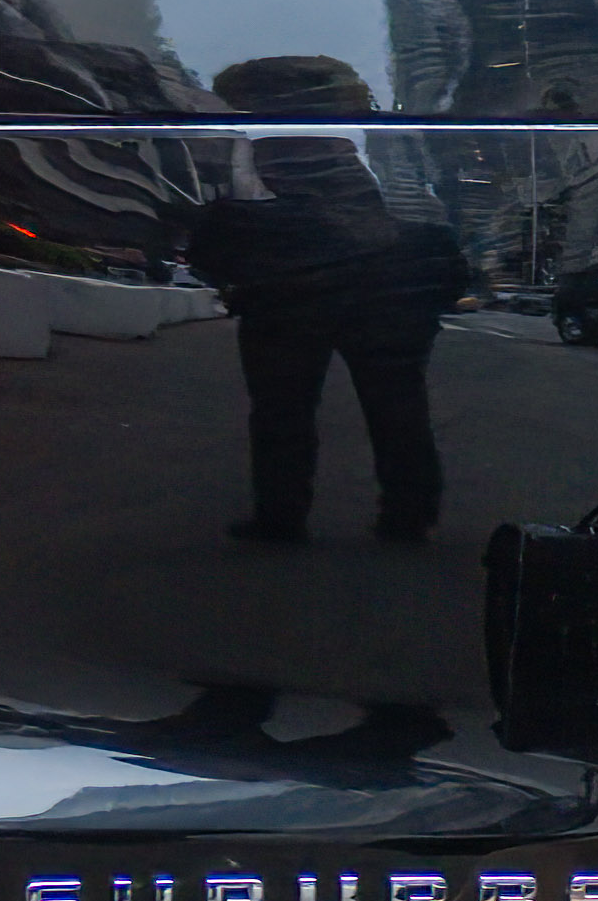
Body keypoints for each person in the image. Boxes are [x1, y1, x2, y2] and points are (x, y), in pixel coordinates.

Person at [180, 61, 472, 545]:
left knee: (283, 412)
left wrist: (242, 274)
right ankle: (408, 514)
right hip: (378, 294)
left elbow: (221, 245)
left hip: (289, 296)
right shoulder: (356, 153)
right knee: (396, 407)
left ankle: (282, 516)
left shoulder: (270, 151)